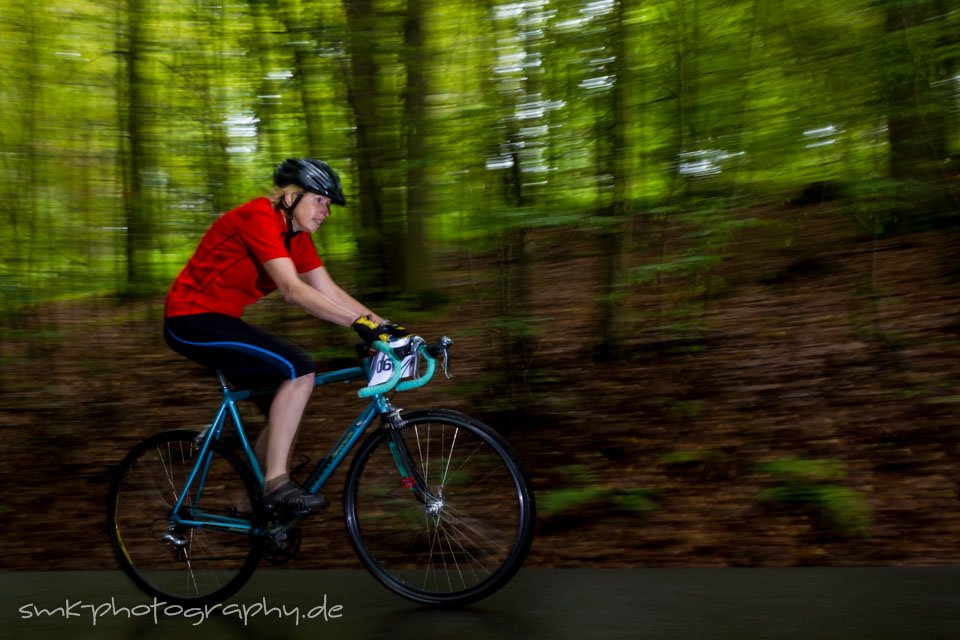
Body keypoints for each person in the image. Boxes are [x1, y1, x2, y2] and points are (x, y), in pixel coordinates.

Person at [164, 158, 404, 512]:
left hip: (222, 319)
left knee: (285, 414)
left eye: (329, 204)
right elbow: (292, 289)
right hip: (190, 318)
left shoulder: (297, 237)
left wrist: (385, 327)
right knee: (299, 368)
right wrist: (359, 325)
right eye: (320, 200)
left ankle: (252, 505)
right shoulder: (258, 217)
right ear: (291, 196)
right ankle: (276, 484)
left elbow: (327, 289)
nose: (326, 211)